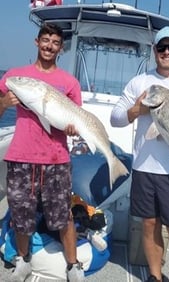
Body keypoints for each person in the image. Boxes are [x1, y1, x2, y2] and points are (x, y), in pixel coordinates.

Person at [110, 26, 169, 282]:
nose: (166, 52)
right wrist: (137, 110)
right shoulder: (139, 83)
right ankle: (155, 276)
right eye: (161, 47)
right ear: (154, 51)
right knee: (149, 224)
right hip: (143, 169)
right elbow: (115, 118)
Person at [0, 23, 85, 282]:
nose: (49, 46)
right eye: (45, 40)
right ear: (37, 42)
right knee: (20, 216)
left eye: (55, 42)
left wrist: (73, 129)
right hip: (21, 157)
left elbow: (76, 119)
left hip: (57, 159)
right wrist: (3, 103)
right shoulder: (15, 75)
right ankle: (23, 261)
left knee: (63, 215)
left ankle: (73, 265)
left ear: (61, 48)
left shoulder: (70, 83)